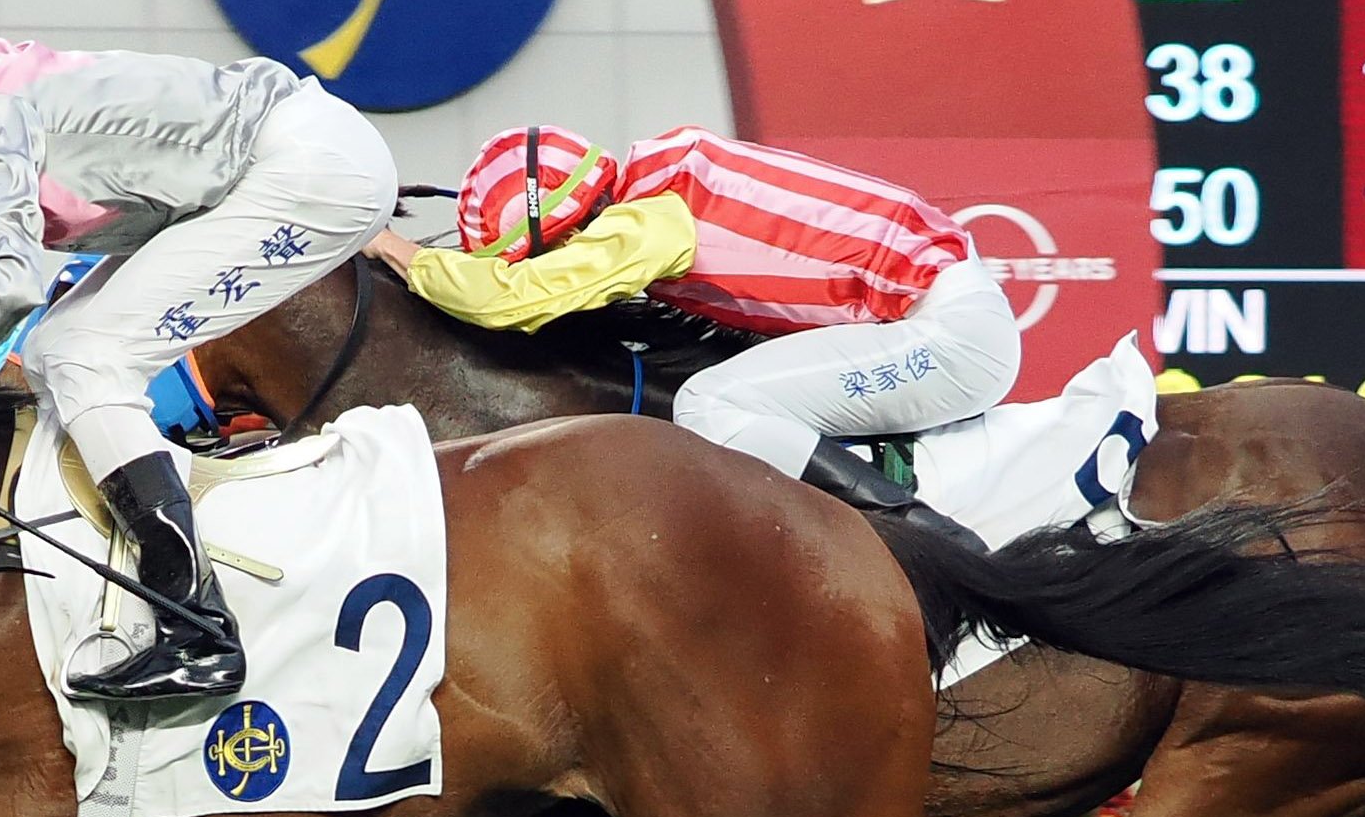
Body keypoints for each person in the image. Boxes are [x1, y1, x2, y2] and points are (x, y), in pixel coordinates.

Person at [0, 8, 396, 701]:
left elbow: (3, 285)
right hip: (270, 165)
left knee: (85, 355)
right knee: (56, 350)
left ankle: (196, 625)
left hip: (310, 166)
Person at [366, 124, 1018, 546]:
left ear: (565, 232)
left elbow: (511, 301)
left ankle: (916, 531)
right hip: (940, 312)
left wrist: (388, 245)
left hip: (949, 341)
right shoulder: (660, 175)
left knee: (708, 404)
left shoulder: (651, 223)